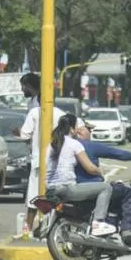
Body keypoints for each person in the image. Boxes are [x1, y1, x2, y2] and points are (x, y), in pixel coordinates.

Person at [17, 83, 85, 233]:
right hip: (58, 163)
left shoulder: (34, 113)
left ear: (39, 100)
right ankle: (58, 229)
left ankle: (26, 231)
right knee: (57, 198)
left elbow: (24, 134)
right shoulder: (61, 114)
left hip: (39, 162)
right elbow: (80, 126)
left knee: (33, 199)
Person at [73, 124, 131, 240]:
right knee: (128, 193)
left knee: (114, 190)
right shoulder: (88, 146)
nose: (91, 133)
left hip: (74, 190)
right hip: (92, 189)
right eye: (89, 129)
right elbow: (116, 153)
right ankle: (128, 228)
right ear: (80, 131)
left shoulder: (66, 146)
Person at [46, 114, 116, 237]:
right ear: (72, 129)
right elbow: (90, 168)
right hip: (67, 189)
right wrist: (100, 171)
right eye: (76, 127)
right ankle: (98, 223)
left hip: (50, 189)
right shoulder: (74, 144)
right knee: (106, 188)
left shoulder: (52, 144)